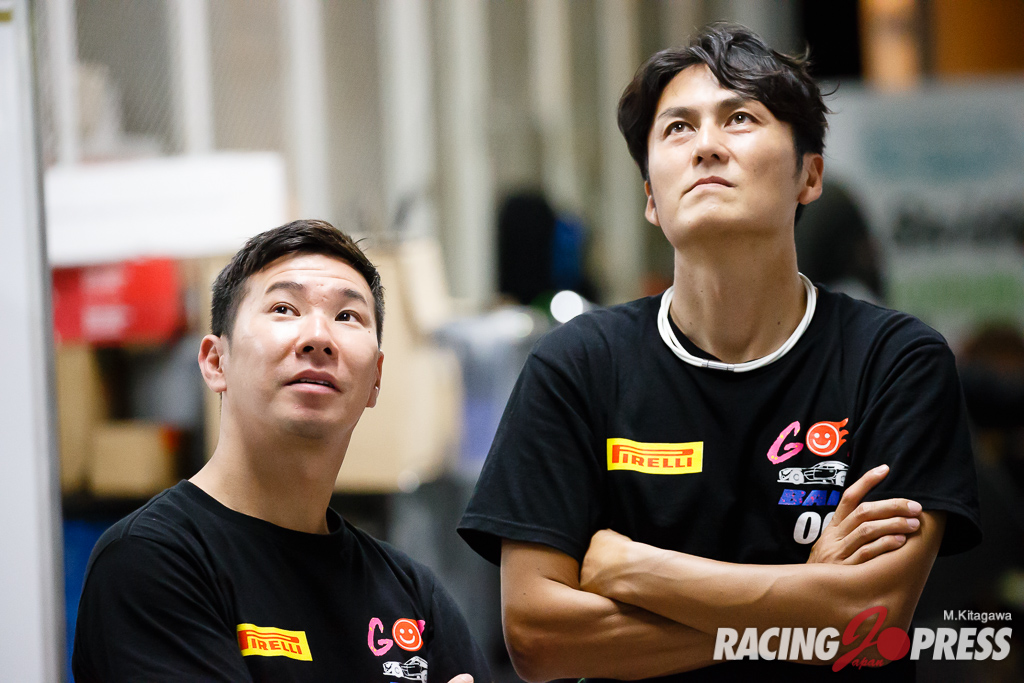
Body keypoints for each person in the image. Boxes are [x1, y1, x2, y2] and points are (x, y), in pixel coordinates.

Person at [458, 24, 981, 681]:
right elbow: (537, 637)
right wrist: (805, 597)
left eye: (739, 118)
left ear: (809, 175)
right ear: (652, 198)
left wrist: (636, 569)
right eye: (678, 128)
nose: (706, 145)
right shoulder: (576, 366)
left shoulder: (896, 362)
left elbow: (870, 620)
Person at [73, 220, 489, 683]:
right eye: (284, 308)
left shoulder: (412, 595)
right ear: (216, 362)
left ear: (375, 378)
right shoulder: (151, 561)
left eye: (347, 316)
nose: (319, 336)